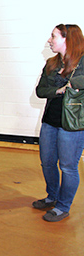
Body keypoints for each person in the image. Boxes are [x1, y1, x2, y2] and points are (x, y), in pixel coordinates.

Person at [34, 24, 84, 222]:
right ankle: (52, 196)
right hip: (50, 121)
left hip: (72, 125)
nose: (49, 40)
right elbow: (40, 91)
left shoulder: (82, 63)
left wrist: (73, 83)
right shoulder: (51, 64)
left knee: (68, 166)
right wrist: (58, 90)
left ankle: (63, 206)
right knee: (47, 162)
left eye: (53, 36)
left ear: (67, 39)